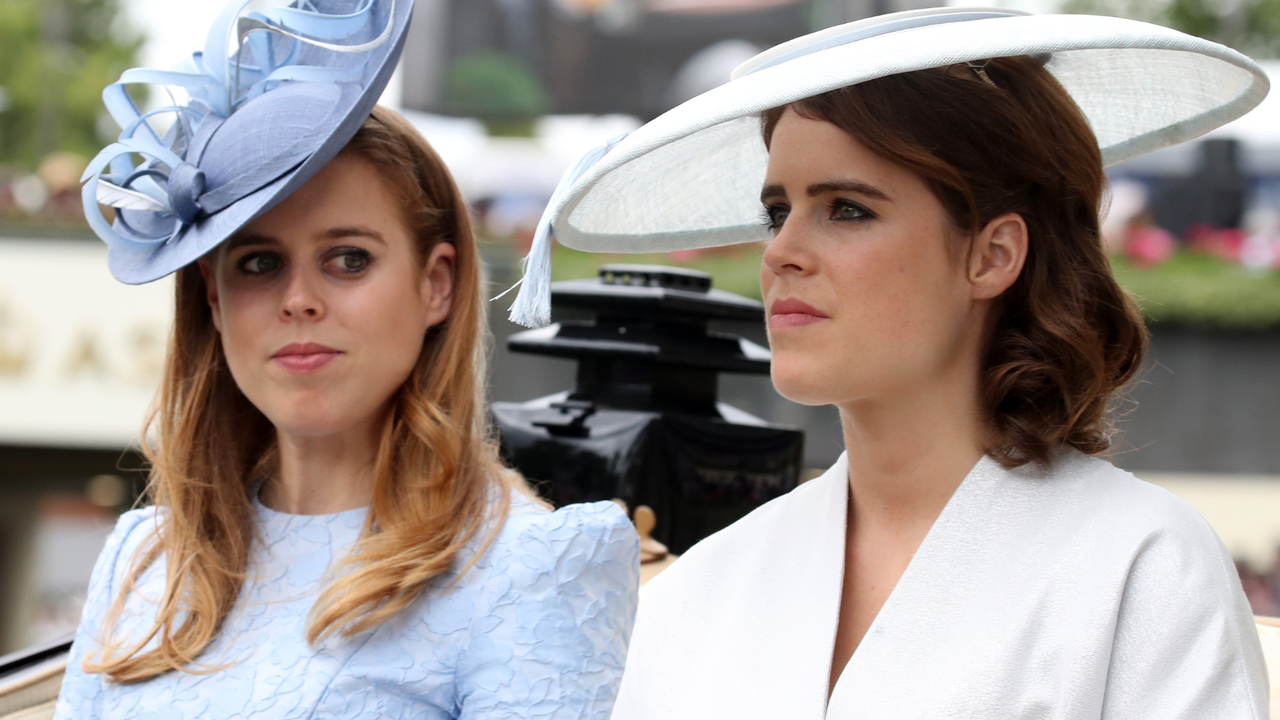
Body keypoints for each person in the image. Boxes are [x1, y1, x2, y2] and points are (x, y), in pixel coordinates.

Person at [508, 7, 1271, 719]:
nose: (780, 252)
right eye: (779, 211)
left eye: (847, 209)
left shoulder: (1139, 566)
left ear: (991, 254)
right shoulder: (707, 584)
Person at [55, 2, 638, 718]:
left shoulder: (531, 567)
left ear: (437, 283)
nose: (298, 299)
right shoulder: (141, 561)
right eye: (260, 263)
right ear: (212, 298)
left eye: (348, 259)